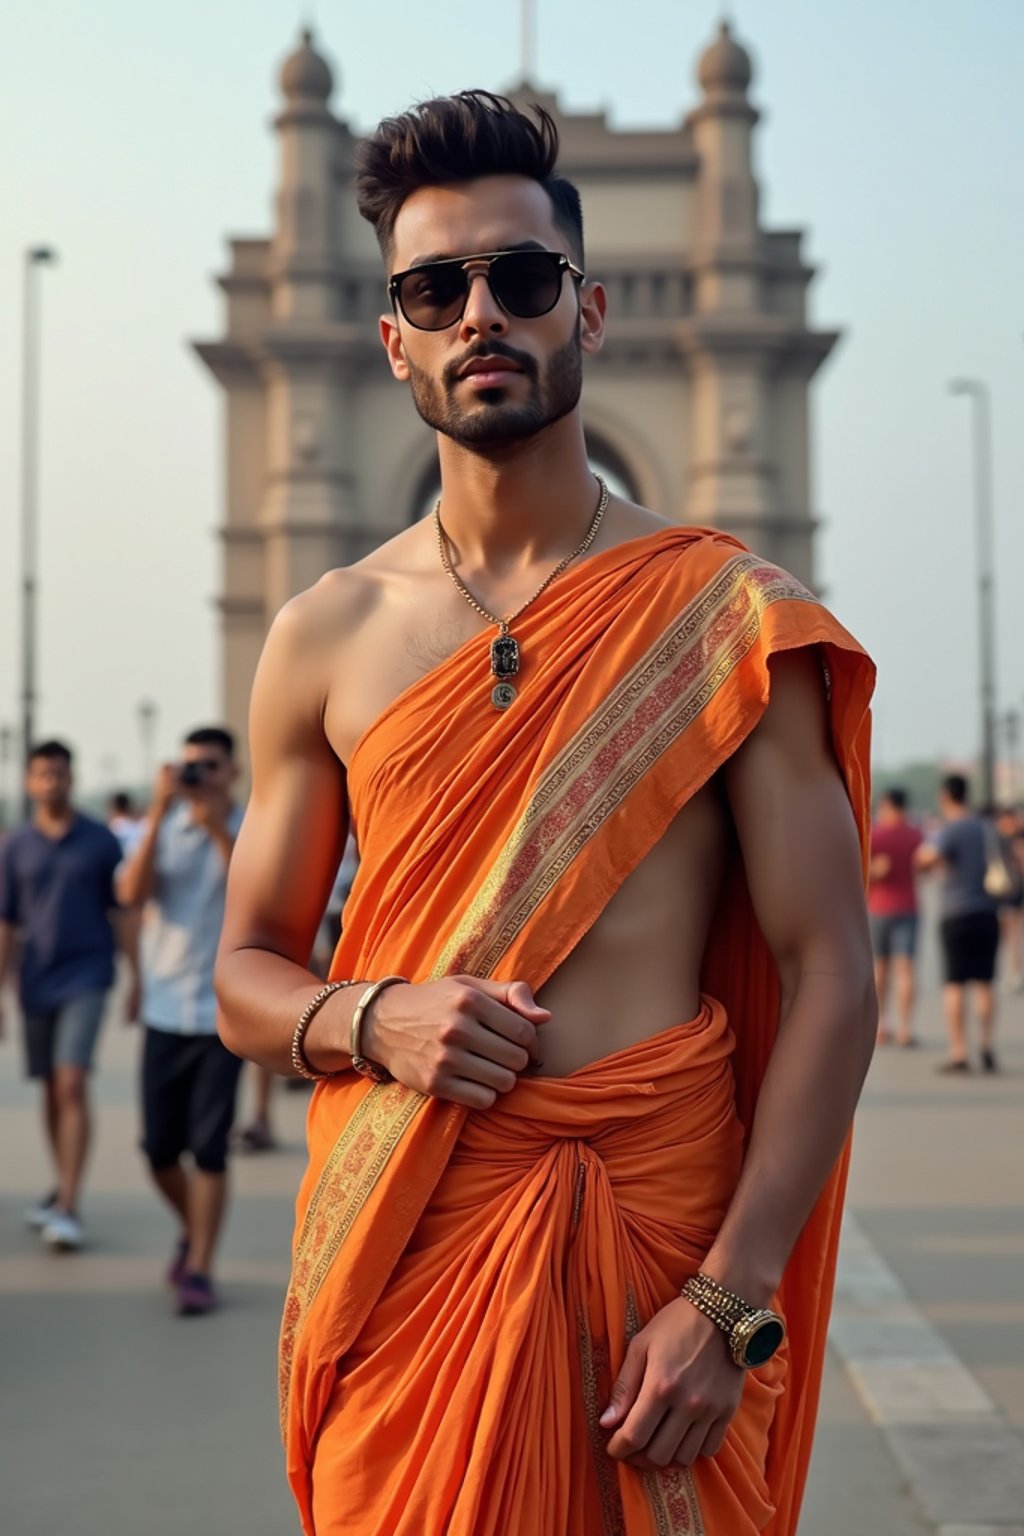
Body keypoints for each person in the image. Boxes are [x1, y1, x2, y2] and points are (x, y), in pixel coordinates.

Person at [215, 94, 876, 1536]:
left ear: (591, 309)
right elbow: (246, 973)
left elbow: (833, 971)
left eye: (520, 280)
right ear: (392, 338)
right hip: (414, 1247)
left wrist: (732, 1299)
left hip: (664, 1262)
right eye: (435, 289)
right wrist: (369, 1016)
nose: (480, 318)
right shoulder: (322, 636)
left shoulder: (724, 619)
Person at [120, 727, 244, 1314]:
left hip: (223, 1013)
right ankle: (193, 1229)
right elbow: (131, 893)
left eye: (211, 767)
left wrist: (215, 823)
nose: (200, 776)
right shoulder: (162, 828)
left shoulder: (249, 830)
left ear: (233, 774)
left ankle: (199, 1268)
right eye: (190, 765)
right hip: (167, 1009)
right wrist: (161, 812)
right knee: (159, 1148)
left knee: (211, 1148)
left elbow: (252, 892)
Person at [0, 740, 139, 1250]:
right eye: (42, 774)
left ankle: (69, 1203)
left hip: (89, 974)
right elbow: (7, 922)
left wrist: (138, 978)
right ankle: (61, 1182)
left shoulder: (100, 840)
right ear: (29, 782)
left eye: (59, 774)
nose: (51, 783)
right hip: (35, 979)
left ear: (71, 778)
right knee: (49, 1090)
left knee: (71, 1083)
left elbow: (121, 912)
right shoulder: (15, 845)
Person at [915, 774, 1001, 1073]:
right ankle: (987, 1045)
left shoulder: (948, 830)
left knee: (954, 984)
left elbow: (924, 860)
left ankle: (959, 1051)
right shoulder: (987, 828)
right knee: (985, 983)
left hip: (956, 912)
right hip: (987, 912)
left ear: (945, 796)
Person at [868, 788, 923, 1046]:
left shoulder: (876, 835)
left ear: (887, 805)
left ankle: (881, 1025)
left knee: (881, 968)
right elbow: (925, 866)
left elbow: (864, 871)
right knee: (906, 969)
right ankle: (905, 1028)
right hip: (908, 907)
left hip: (879, 908)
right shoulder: (916, 835)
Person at [994, 804, 1024, 990]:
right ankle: (1011, 970)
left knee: (1013, 934)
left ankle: (1015, 971)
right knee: (1007, 934)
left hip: (1015, 890)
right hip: (1001, 890)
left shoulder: (1017, 838)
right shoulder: (997, 839)